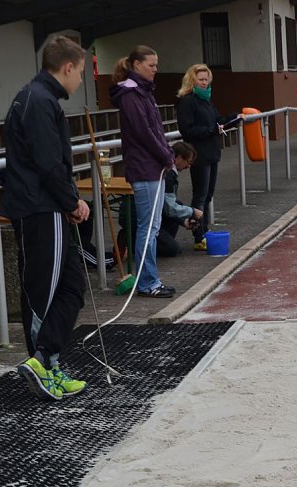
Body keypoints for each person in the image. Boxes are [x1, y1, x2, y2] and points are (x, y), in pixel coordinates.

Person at [2, 35, 90, 400]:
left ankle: (48, 359)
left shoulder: (37, 97)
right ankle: (42, 365)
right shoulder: (38, 101)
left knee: (72, 285)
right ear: (67, 67)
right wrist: (72, 202)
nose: (81, 80)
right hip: (41, 209)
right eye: (81, 72)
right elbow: (48, 162)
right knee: (43, 291)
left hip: (45, 206)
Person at [110, 45, 176, 298]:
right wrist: (165, 155)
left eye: (156, 65)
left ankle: (150, 279)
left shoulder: (143, 92)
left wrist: (165, 154)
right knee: (147, 228)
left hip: (153, 167)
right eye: (151, 65)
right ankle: (147, 282)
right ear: (136, 64)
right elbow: (143, 131)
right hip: (145, 168)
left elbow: (155, 129)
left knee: (153, 226)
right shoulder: (131, 94)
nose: (155, 69)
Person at [176, 63, 239, 251]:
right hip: (199, 154)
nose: (204, 83)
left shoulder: (207, 100)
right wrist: (211, 130)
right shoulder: (187, 101)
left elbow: (217, 120)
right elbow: (187, 130)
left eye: (206, 80)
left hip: (212, 152)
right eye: (201, 80)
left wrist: (231, 119)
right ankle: (199, 235)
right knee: (200, 195)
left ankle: (205, 230)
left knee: (208, 194)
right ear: (192, 81)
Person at [120, 142, 203, 257]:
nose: (189, 166)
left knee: (177, 204)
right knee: (172, 249)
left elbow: (167, 204)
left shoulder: (167, 170)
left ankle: (158, 240)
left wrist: (183, 221)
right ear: (178, 158)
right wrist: (192, 212)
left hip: (146, 211)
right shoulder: (168, 174)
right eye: (188, 162)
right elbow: (169, 208)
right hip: (138, 217)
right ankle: (133, 242)